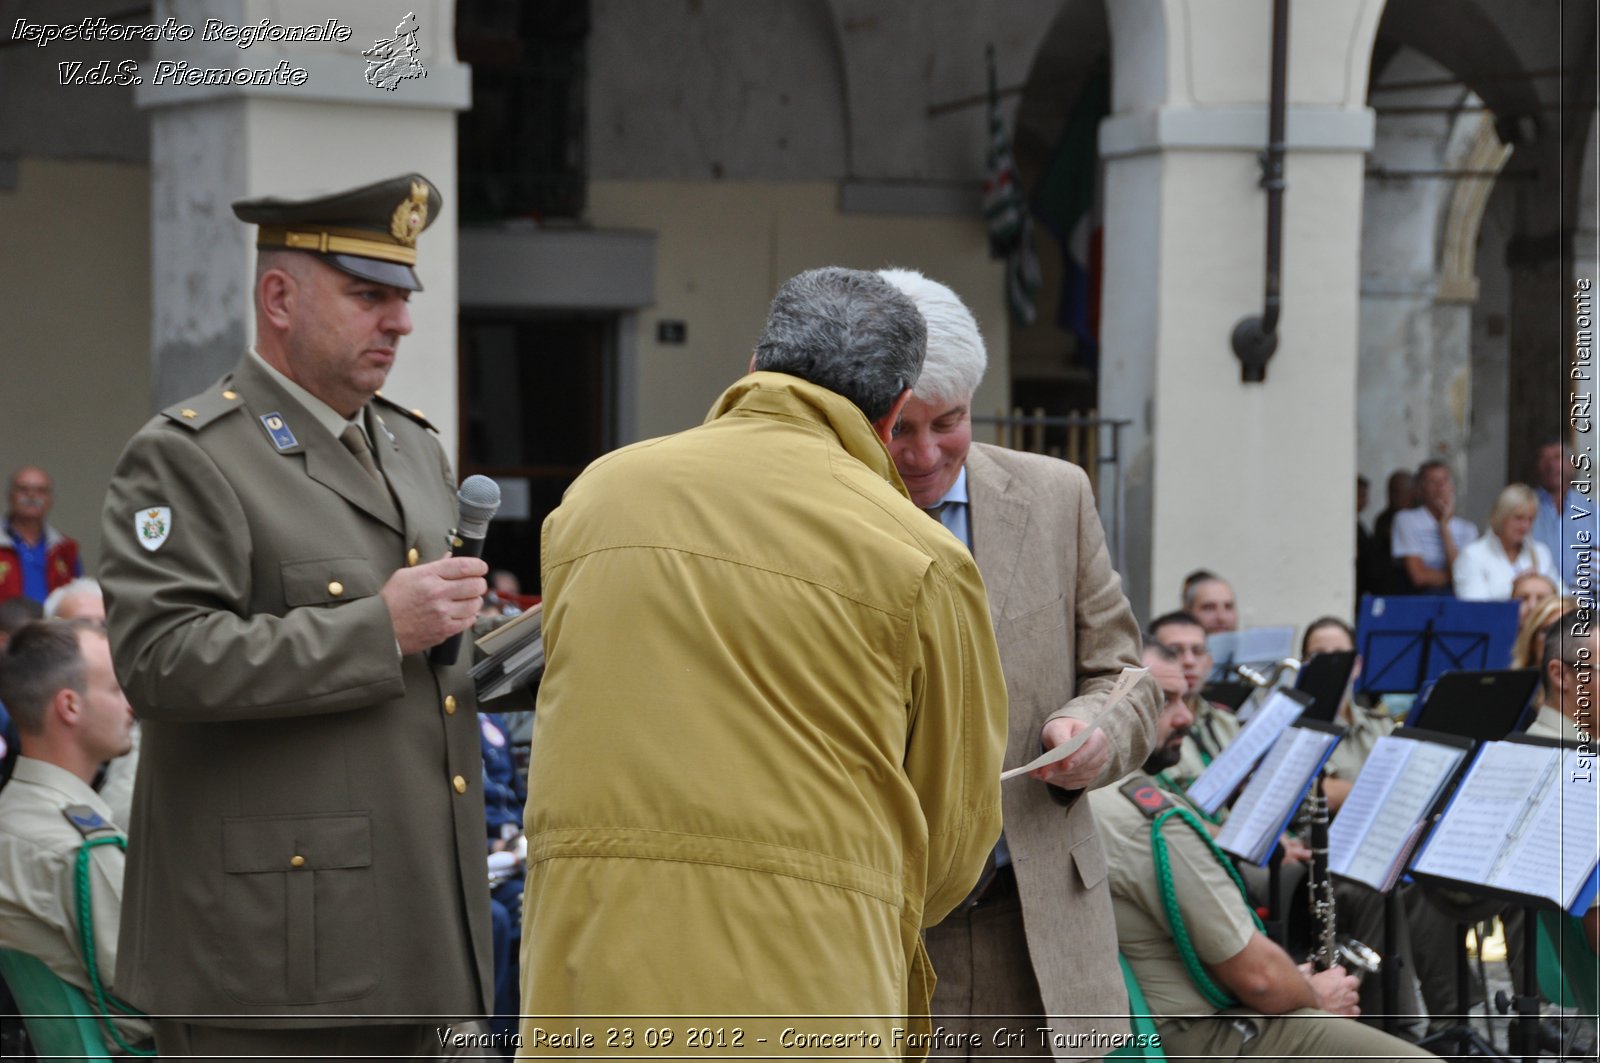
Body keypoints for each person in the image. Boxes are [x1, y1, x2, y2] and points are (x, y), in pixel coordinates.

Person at [519, 267, 1008, 1049]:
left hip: (591, 971)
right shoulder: (919, 553)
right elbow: (953, 842)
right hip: (807, 983)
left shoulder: (595, 497)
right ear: (889, 416)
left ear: (753, 367)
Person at [99, 174, 494, 1056]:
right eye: (369, 296)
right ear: (278, 296)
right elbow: (158, 660)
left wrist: (516, 648)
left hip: (423, 932)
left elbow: (433, 662)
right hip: (272, 955)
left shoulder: (411, 443)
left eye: (402, 298)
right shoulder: (190, 457)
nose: (400, 322)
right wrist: (380, 627)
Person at [880, 268, 1158, 1056]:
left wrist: (1096, 727)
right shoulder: (817, 515)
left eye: (951, 421)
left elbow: (1124, 673)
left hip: (1035, 924)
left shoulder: (1056, 494)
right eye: (901, 428)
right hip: (886, 926)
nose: (927, 453)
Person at [1087, 652, 1436, 1062]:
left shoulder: (1086, 800)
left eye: (1183, 700)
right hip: (1197, 1034)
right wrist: (1315, 995)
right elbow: (1260, 981)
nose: (1185, 717)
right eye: (1163, 701)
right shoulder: (1143, 818)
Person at [0, 620, 150, 1053]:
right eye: (115, 689)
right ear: (69, 706)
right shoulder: (79, 849)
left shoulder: (15, 815)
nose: (130, 706)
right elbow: (149, 1012)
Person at [1152, 611, 1240, 789]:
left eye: (1198, 651)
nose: (1189, 661)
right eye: (1174, 651)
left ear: (1209, 661)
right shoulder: (1150, 727)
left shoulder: (1226, 720)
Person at [1452, 484, 1559, 600]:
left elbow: (1563, 597)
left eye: (1530, 519)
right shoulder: (1472, 555)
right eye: (1519, 518)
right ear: (1500, 516)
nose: (1525, 526)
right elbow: (1475, 609)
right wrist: (1515, 589)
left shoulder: (1541, 553)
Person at [0, 466, 82, 606]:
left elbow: (77, 598)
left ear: (50, 499)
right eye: (23, 489)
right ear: (10, 495)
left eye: (41, 491)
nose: (31, 496)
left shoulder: (65, 548)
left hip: (51, 627)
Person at [1391, 460, 1477, 594]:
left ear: (1452, 487)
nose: (1440, 487)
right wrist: (1455, 577)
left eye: (1445, 481)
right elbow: (1418, 576)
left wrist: (1445, 528)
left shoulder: (1468, 529)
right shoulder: (1406, 520)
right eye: (1433, 482)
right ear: (1421, 489)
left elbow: (1465, 577)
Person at [1531, 440, 1598, 594]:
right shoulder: (1526, 508)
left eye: (1557, 457)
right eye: (1544, 459)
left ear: (1571, 464)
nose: (1551, 465)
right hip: (1540, 601)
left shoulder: (1591, 509)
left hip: (1585, 604)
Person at [1372, 469, 1416, 594]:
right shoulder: (1383, 520)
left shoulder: (1419, 517)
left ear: (1412, 493)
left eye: (1398, 492)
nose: (1393, 497)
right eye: (1390, 491)